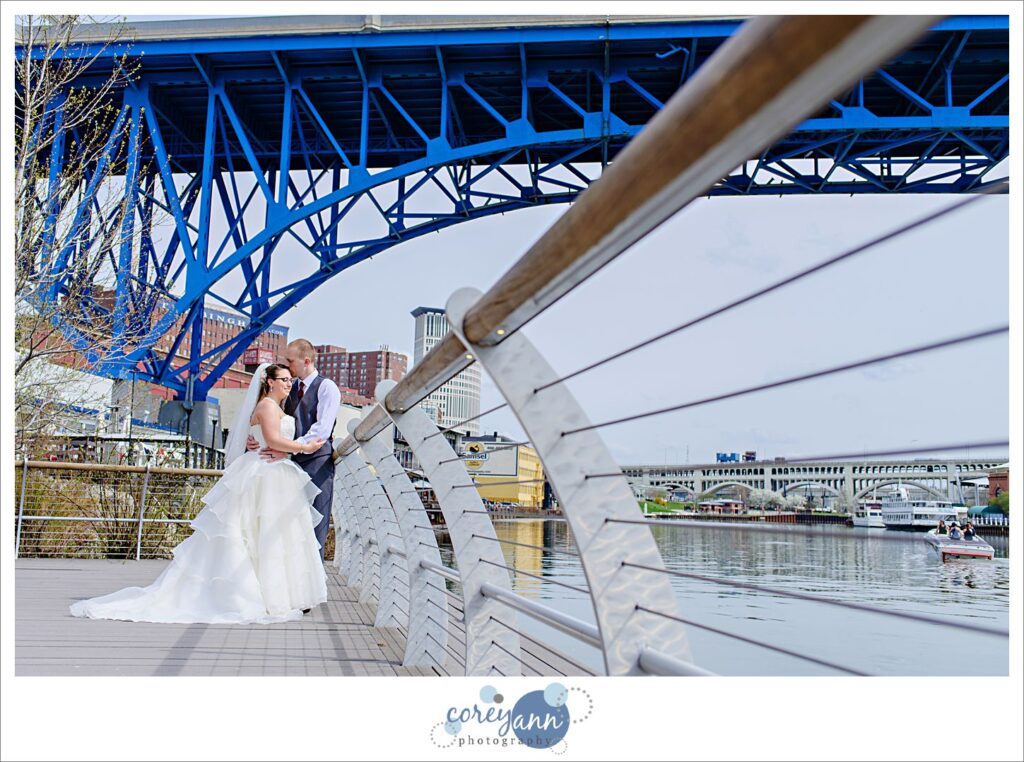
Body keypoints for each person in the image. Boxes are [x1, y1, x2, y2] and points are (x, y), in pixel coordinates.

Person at [70, 363, 328, 624]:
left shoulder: (277, 408)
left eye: (289, 379)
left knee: (273, 535)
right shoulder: (267, 407)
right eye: (283, 379)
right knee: (258, 533)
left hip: (273, 473)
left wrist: (284, 448)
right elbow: (272, 441)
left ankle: (275, 595)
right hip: (265, 474)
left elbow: (268, 441)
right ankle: (259, 596)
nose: (288, 384)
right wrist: (304, 448)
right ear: (269, 382)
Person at [249, 339, 340, 564]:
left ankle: (314, 582)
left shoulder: (327, 387)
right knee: (287, 524)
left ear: (306, 360)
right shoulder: (288, 389)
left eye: (290, 361)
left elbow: (322, 430)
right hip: (286, 465)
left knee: (315, 523)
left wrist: (288, 451)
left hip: (316, 463)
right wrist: (256, 438)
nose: (287, 365)